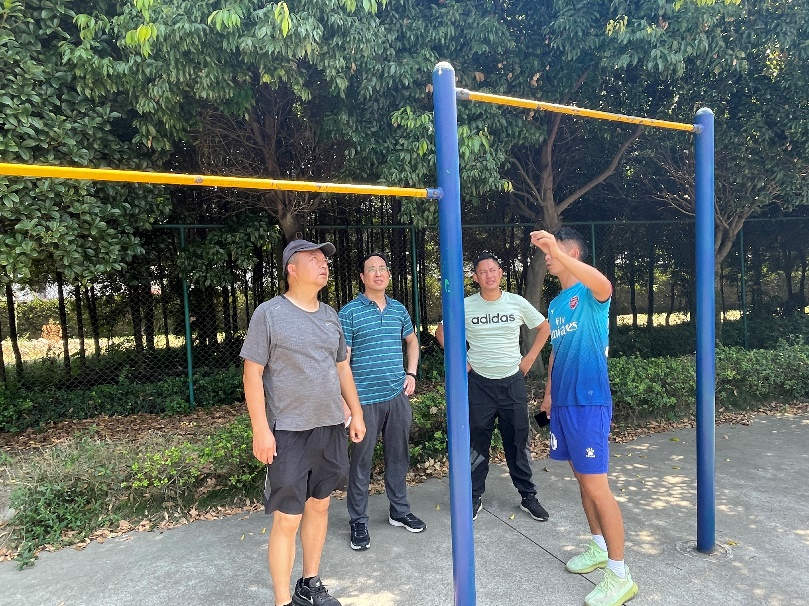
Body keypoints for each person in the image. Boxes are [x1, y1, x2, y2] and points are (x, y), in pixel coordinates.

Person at [241, 239, 366, 606]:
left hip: (329, 428)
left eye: (324, 258)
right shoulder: (269, 314)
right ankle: (282, 602)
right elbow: (252, 373)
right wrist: (260, 429)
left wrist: (356, 412)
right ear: (291, 269)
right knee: (287, 518)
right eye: (313, 258)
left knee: (320, 506)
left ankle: (309, 585)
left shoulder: (330, 315)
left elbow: (342, 368)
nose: (323, 263)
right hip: (288, 432)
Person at [530, 227, 638, 606]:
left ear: (572, 253)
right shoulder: (557, 305)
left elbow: (605, 284)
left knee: (596, 486)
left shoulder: (591, 294)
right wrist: (548, 396)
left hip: (590, 403)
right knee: (582, 480)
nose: (547, 256)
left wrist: (557, 251)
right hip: (564, 405)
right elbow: (556, 353)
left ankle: (620, 575)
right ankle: (598, 547)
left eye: (554, 250)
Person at [437, 252, 551, 522]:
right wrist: (461, 361)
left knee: (518, 441)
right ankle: (474, 496)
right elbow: (441, 331)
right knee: (477, 442)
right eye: (483, 271)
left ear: (500, 273)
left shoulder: (516, 302)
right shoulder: (465, 305)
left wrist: (529, 359)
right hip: (479, 385)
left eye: (493, 270)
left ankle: (528, 496)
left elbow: (544, 327)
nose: (489, 275)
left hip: (512, 382)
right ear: (475, 277)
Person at [338, 252, 426, 552]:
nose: (378, 273)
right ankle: (358, 521)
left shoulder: (399, 309)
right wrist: (347, 403)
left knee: (399, 457)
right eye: (371, 269)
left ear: (388, 275)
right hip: (363, 401)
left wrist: (411, 373)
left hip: (396, 397)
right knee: (361, 462)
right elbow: (342, 361)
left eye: (382, 269)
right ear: (362, 277)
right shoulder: (349, 312)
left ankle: (399, 511)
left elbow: (412, 341)